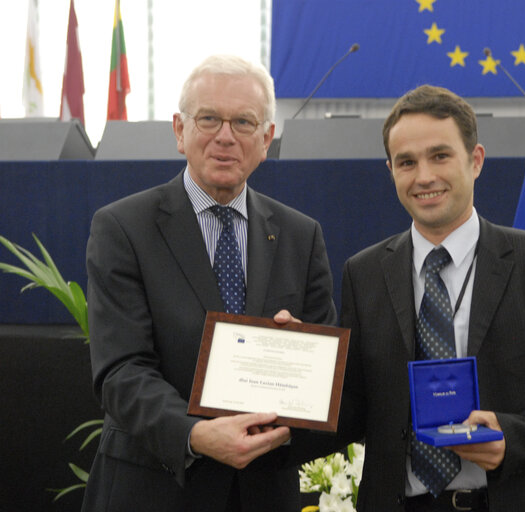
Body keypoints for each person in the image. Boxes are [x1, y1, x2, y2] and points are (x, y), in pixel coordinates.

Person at [337, 85, 525, 511]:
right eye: (407, 162)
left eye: (440, 156)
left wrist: (512, 436)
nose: (424, 176)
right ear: (391, 170)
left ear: (476, 160)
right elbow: (355, 402)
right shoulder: (364, 273)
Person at [82, 55, 336, 511]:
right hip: (154, 490)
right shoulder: (123, 228)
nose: (225, 136)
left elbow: (328, 382)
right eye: (209, 119)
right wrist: (194, 434)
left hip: (262, 492)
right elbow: (121, 370)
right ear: (180, 131)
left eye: (243, 121)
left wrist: (301, 359)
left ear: (266, 139)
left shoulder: (302, 236)